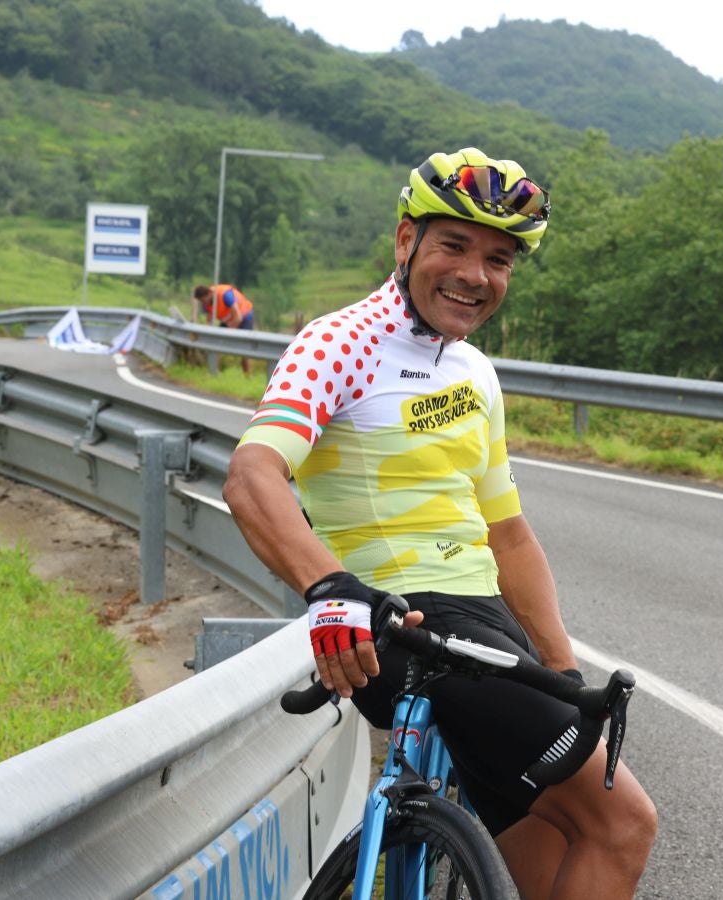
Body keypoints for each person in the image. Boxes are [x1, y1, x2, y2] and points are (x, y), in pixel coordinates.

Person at [223, 148, 657, 898]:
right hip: (402, 619)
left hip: (485, 631)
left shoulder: (474, 372)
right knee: (622, 824)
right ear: (405, 242)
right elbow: (251, 475)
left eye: (498, 259)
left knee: (556, 850)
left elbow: (508, 536)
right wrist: (330, 590)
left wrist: (558, 673)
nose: (475, 275)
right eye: (453, 245)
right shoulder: (337, 342)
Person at [191, 283, 254, 375]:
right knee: (216, 344)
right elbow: (209, 319)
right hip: (228, 320)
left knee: (245, 351)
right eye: (201, 301)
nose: (203, 303)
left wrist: (228, 332)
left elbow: (238, 318)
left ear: (208, 294)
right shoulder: (206, 303)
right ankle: (214, 373)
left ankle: (248, 376)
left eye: (203, 300)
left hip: (244, 317)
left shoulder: (225, 296)